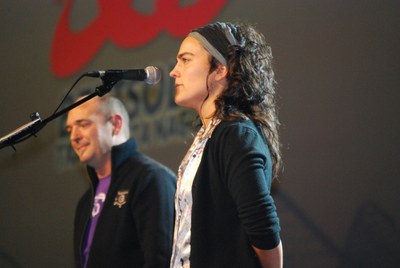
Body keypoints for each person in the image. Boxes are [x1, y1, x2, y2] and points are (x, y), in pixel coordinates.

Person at [169, 21, 283, 268]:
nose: (173, 71)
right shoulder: (209, 134)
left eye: (185, 60)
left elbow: (263, 227)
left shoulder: (235, 135)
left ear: (220, 69)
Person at [65, 95, 176, 268]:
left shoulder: (150, 178)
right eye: (69, 129)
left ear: (116, 125)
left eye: (83, 124)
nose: (74, 137)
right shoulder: (85, 202)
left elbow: (161, 260)